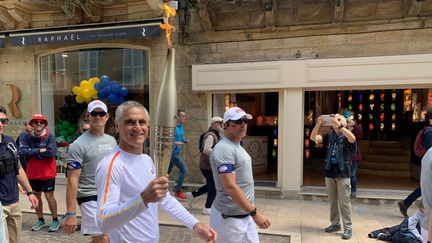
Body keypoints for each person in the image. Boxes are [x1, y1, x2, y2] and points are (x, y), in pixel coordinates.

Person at [95, 101, 216, 243]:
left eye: (142, 122)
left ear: (148, 126)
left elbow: (164, 199)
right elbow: (103, 222)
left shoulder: (146, 160)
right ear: (117, 126)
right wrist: (144, 198)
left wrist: (195, 224)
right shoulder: (110, 165)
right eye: (129, 122)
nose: (137, 127)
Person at [209, 107, 271, 243]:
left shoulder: (236, 145)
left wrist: (250, 212)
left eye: (245, 121)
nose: (243, 124)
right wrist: (255, 213)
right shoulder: (224, 149)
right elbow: (230, 186)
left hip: (244, 214)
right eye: (237, 121)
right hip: (230, 219)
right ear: (225, 125)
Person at [63, 100, 117, 243]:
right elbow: (72, 180)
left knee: (109, 238)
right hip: (89, 197)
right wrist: (71, 213)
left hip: (110, 196)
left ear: (107, 116)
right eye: (94, 113)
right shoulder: (78, 145)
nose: (98, 116)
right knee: (103, 238)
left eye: (101, 113)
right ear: (88, 116)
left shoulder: (112, 141)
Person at [310, 113, 356, 240]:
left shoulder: (346, 136)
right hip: (330, 173)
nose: (335, 120)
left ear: (344, 123)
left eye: (338, 118)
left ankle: (348, 228)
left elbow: (353, 139)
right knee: (332, 202)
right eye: (334, 118)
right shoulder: (328, 136)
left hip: (343, 174)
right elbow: (313, 137)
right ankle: (335, 224)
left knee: (344, 202)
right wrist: (318, 124)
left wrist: (341, 126)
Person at [0, 106, 38, 243]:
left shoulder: (10, 142)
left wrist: (30, 192)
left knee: (14, 240)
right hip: (0, 205)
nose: (0, 124)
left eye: (3, 121)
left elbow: (19, 169)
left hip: (14, 202)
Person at [19, 113, 59, 232]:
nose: (38, 124)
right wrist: (41, 150)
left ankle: (55, 219)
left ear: (44, 124)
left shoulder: (50, 137)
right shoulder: (26, 137)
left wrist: (33, 152)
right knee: (36, 196)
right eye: (36, 122)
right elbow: (23, 153)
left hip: (48, 173)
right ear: (32, 124)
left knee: (49, 196)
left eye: (41, 122)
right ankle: (40, 219)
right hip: (33, 173)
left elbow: (51, 153)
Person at [186, 116, 223, 215]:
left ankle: (192, 194)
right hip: (206, 165)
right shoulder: (211, 135)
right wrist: (218, 153)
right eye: (219, 123)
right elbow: (206, 149)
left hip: (209, 165)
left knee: (211, 185)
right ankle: (207, 208)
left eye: (221, 123)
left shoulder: (217, 134)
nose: (221, 125)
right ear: (213, 124)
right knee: (214, 186)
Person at [399, 108, 432, 217]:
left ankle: (406, 203)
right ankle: (408, 204)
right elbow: (429, 150)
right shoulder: (429, 132)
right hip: (429, 163)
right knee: (426, 186)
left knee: (426, 186)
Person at [167, 109, 190, 200]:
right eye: (182, 116)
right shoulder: (173, 127)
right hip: (172, 152)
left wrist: (185, 140)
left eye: (184, 116)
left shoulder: (181, 126)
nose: (184, 117)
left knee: (166, 172)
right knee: (184, 169)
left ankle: (158, 186)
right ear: (177, 117)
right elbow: (168, 139)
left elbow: (181, 136)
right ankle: (178, 191)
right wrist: (175, 143)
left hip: (177, 152)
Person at [344, 112, 362, 199]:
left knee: (352, 175)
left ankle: (353, 191)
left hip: (354, 156)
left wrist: (353, 124)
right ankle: (345, 191)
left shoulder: (356, 131)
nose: (349, 124)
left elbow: (359, 131)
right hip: (345, 156)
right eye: (348, 123)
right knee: (345, 174)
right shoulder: (343, 131)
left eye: (351, 123)